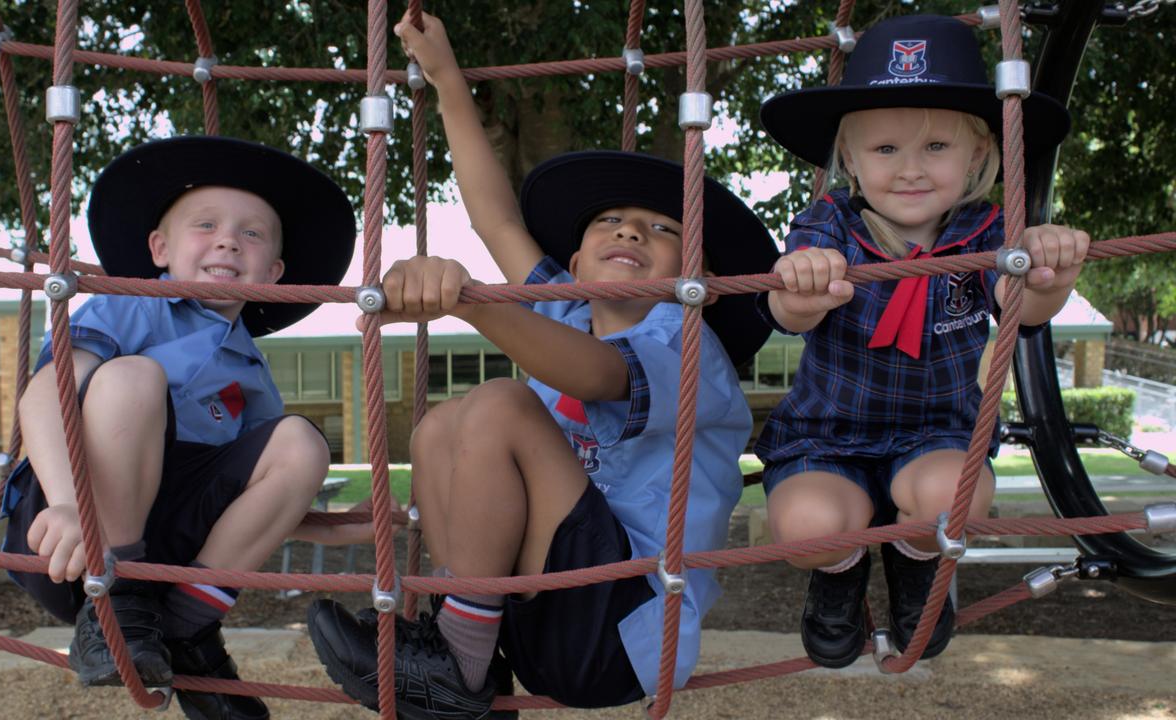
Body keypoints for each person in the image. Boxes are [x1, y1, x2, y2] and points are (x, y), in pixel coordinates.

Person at [306, 11, 779, 720]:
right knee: (439, 429)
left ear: (701, 277)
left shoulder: (689, 344)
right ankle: (465, 651)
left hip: (625, 624)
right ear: (576, 261)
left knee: (501, 404)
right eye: (607, 223)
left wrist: (467, 300)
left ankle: (456, 666)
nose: (630, 230)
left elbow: (593, 375)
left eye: (664, 229)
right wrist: (445, 79)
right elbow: (496, 218)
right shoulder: (560, 309)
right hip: (538, 616)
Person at [755, 14, 1087, 668]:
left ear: (979, 154)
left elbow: (1022, 310)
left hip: (933, 432)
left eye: (936, 147)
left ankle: (915, 564)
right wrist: (799, 287)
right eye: (885, 149)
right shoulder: (828, 227)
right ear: (848, 157)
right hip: (829, 434)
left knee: (952, 500)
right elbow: (788, 315)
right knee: (803, 528)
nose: (910, 169)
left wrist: (1048, 270)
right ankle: (840, 574)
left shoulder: (991, 235)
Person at [0, 136, 358, 720]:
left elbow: (250, 490)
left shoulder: (250, 369)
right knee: (134, 377)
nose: (227, 240)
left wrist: (324, 528)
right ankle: (116, 602)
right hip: (72, 534)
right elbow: (46, 394)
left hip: (166, 555)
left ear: (273, 272)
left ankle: (188, 629)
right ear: (160, 248)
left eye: (251, 233)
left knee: (300, 440)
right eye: (207, 224)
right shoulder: (131, 305)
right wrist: (68, 504)